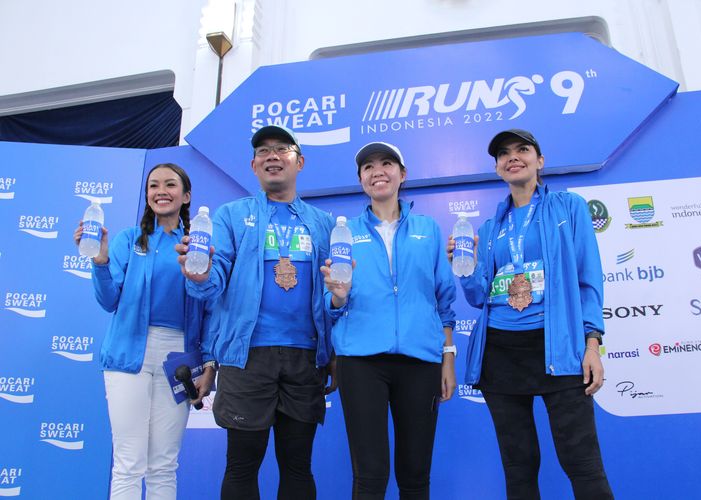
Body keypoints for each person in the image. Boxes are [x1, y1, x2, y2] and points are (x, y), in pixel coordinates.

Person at [449, 129, 614, 500]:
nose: (513, 157)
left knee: (581, 461)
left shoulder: (569, 207)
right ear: (497, 168)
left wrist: (592, 345)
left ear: (540, 160)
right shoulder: (490, 228)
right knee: (518, 465)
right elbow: (479, 297)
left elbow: (588, 281)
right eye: (504, 153)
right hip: (501, 351)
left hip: (558, 347)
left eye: (522, 149)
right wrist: (467, 268)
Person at [177, 125, 335, 500]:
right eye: (263, 151)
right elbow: (212, 281)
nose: (272, 156)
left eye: (282, 149)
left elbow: (336, 293)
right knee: (241, 465)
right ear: (253, 165)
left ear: (300, 161)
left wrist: (334, 355)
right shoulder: (231, 215)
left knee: (298, 466)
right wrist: (197, 275)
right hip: (246, 358)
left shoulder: (323, 223)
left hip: (305, 358)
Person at [321, 141, 457, 499]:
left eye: (386, 163)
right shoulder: (343, 232)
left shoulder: (428, 229)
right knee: (370, 474)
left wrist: (448, 358)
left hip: (420, 361)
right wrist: (337, 294)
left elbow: (444, 299)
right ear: (361, 179)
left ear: (402, 174)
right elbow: (330, 303)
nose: (377, 171)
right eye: (368, 167)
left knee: (415, 474)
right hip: (361, 362)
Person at [74, 163, 215, 500]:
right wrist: (101, 261)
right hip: (127, 356)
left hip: (180, 361)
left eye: (170, 184)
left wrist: (209, 364)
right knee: (128, 463)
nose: (160, 191)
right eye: (154, 186)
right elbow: (109, 301)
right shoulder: (127, 240)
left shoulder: (198, 244)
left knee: (164, 465)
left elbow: (211, 311)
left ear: (186, 195)